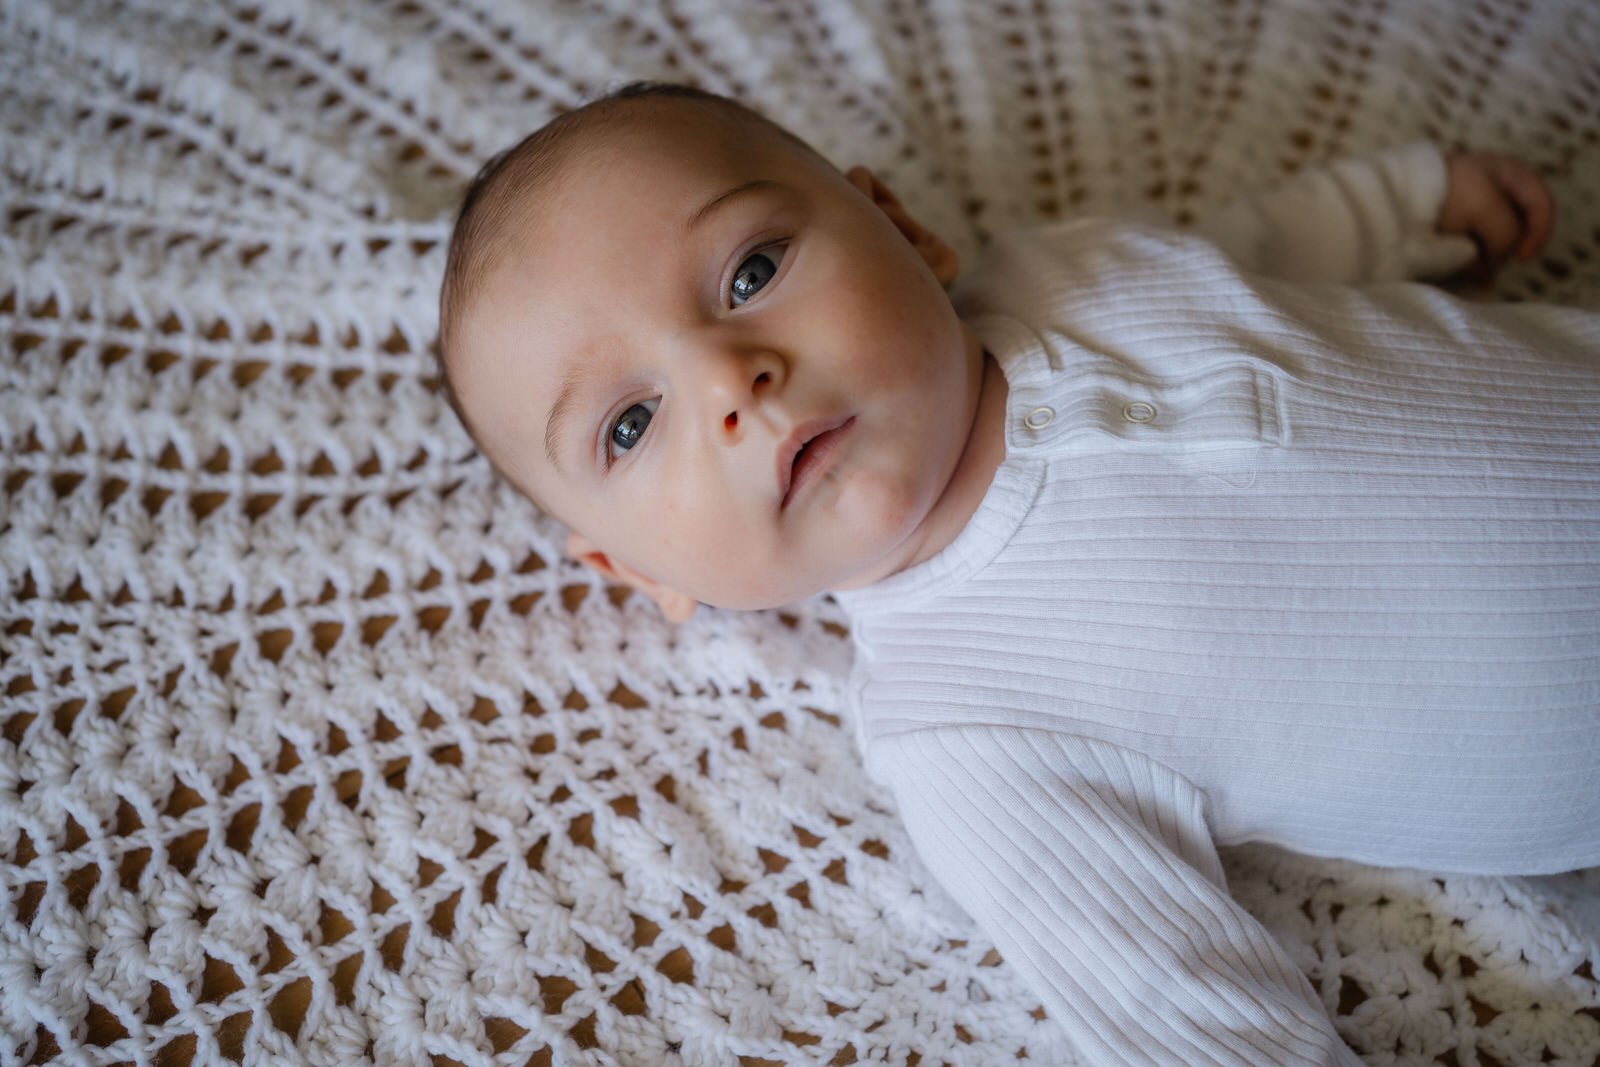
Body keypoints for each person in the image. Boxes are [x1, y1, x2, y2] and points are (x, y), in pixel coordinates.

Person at [436, 82, 1600, 1065]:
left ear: (899, 226)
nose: (731, 377)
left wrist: (1401, 200)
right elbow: (1172, 995)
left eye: (750, 272)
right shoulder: (970, 727)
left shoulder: (1063, 267)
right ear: (636, 569)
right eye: (632, 425)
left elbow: (1259, 252)